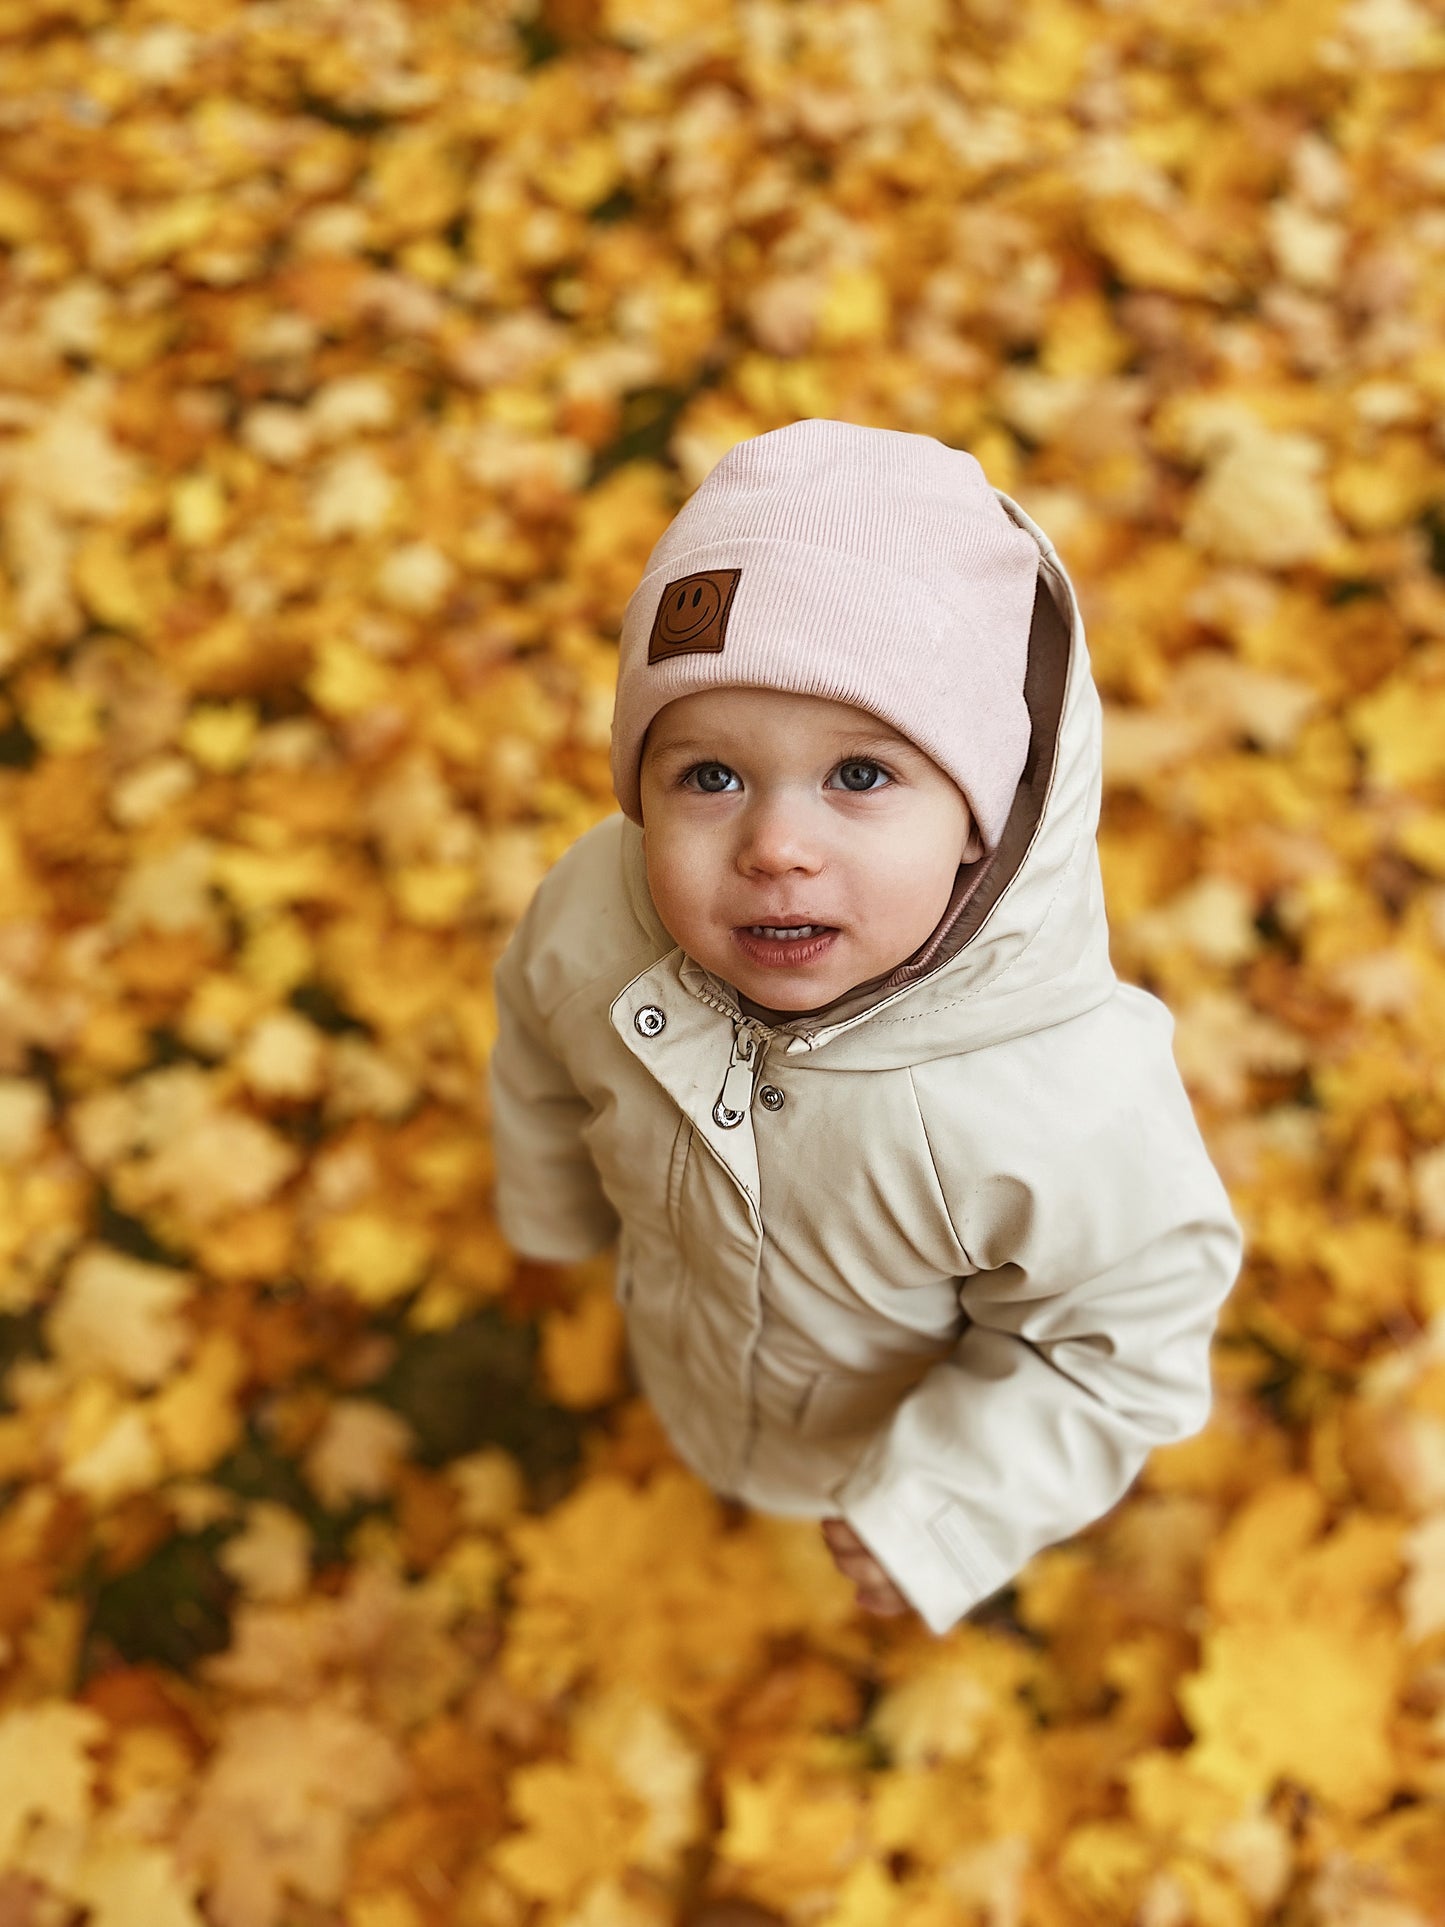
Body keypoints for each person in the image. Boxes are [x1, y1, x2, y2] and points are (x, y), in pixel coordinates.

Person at [488, 417, 1244, 1634]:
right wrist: (552, 1213)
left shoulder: (1057, 1108)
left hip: (872, 1454)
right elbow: (538, 1058)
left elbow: (1117, 1343)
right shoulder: (594, 920)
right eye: (709, 776)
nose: (776, 847)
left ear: (979, 816)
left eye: (857, 776)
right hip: (686, 1355)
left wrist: (942, 1512)